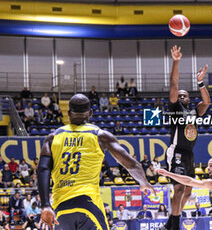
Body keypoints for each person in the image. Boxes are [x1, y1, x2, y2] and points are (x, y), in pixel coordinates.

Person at [38, 93, 154, 230]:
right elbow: (132, 164)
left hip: (61, 206)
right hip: (88, 203)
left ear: (68, 113)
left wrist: (45, 205)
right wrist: (143, 182)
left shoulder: (53, 138)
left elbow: (42, 170)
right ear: (90, 113)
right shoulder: (100, 136)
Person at [163, 45, 210, 230]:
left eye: (184, 95)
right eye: (179, 95)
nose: (181, 96)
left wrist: (200, 83)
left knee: (189, 191)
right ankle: (175, 226)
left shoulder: (194, 111)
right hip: (176, 152)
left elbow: (206, 102)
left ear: (189, 98)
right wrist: (176, 61)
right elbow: (174, 85)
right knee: (180, 188)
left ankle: (169, 224)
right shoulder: (175, 109)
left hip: (189, 154)